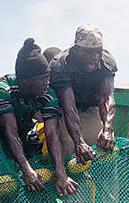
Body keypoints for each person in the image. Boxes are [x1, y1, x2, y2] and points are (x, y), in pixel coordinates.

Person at [0, 38, 77, 196]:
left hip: (26, 135)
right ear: (25, 81)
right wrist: (26, 169)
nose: (47, 83)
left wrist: (61, 174)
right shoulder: (3, 89)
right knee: (0, 186)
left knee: (39, 178)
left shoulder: (48, 94)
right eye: (42, 79)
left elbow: (52, 134)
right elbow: (10, 132)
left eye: (48, 77)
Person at [50, 24, 117, 162]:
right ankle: (65, 180)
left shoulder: (106, 61)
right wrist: (79, 142)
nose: (95, 57)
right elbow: (69, 107)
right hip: (64, 110)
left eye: (98, 51)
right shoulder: (61, 64)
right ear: (77, 50)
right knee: (69, 144)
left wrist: (108, 130)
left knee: (106, 146)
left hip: (92, 107)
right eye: (88, 52)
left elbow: (107, 98)